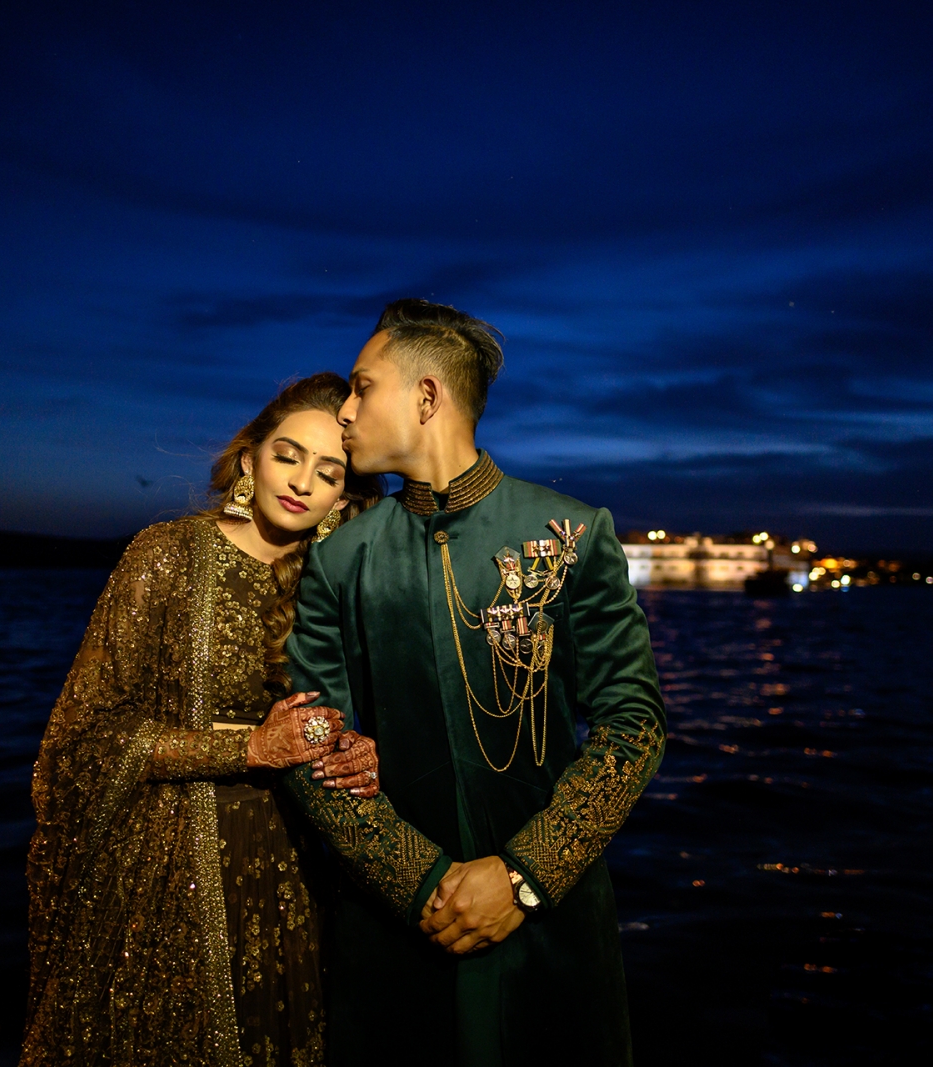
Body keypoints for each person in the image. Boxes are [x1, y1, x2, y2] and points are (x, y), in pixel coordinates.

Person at [281, 300, 667, 1066]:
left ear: (427, 397)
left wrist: (524, 877)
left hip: (551, 934)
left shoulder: (573, 531)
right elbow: (310, 739)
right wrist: (421, 882)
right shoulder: (341, 559)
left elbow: (635, 724)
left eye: (362, 388)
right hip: (397, 940)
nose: (345, 412)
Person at [21, 373, 387, 1067]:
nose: (303, 481)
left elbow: (362, 714)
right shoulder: (163, 553)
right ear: (249, 458)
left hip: (302, 877)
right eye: (288, 454)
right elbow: (85, 735)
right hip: (166, 877)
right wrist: (246, 748)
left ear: (346, 495)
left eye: (328, 471)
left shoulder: (339, 582)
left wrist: (364, 748)